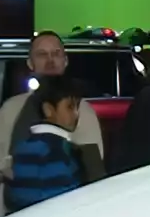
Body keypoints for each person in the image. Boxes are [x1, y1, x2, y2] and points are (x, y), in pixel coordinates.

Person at [0, 30, 105, 216]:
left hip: (65, 214)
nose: (50, 60)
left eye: (56, 54)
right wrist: (10, 167)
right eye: (42, 54)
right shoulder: (12, 107)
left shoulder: (81, 110)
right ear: (30, 64)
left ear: (65, 61)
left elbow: (92, 166)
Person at [5, 76, 90, 209]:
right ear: (48, 110)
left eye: (77, 107)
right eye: (70, 107)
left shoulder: (23, 146)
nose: (76, 114)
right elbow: (64, 201)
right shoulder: (56, 150)